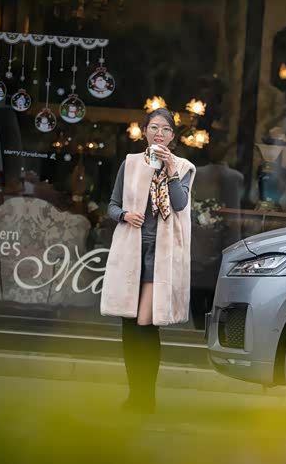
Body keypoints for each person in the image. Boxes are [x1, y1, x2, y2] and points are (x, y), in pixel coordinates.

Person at [100, 108, 196, 414]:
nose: (159, 134)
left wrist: (171, 169)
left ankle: (146, 397)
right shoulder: (130, 163)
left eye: (165, 130)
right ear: (144, 131)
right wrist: (125, 215)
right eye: (154, 127)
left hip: (160, 253)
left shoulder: (183, 167)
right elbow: (112, 205)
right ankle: (135, 395)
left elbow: (179, 204)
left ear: (173, 137)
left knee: (145, 323)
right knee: (129, 325)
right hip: (131, 250)